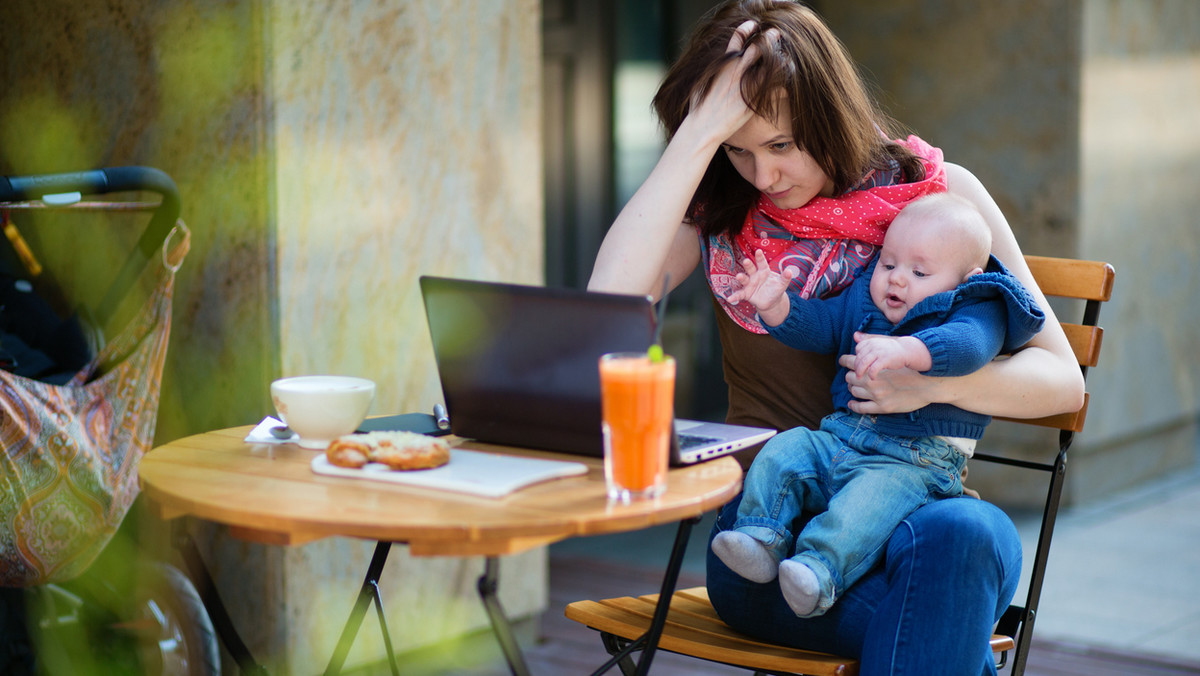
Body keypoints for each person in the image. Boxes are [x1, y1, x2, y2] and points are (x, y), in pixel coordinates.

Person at [586, 1, 1084, 674]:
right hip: (771, 543)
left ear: (828, 116)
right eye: (739, 149)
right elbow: (607, 307)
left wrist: (926, 381)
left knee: (969, 534)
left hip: (910, 510)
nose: (763, 177)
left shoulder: (937, 199)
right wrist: (696, 137)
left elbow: (1061, 380)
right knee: (945, 612)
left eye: (782, 145)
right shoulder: (721, 212)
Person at [711, 192, 1046, 618]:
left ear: (966, 278)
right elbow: (822, 327)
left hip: (913, 462)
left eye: (919, 271)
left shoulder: (977, 306)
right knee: (788, 449)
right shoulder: (865, 298)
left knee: (865, 505)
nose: (897, 279)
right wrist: (778, 309)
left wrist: (909, 350)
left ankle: (818, 569)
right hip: (840, 437)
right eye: (889, 263)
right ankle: (760, 536)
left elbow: (970, 346)